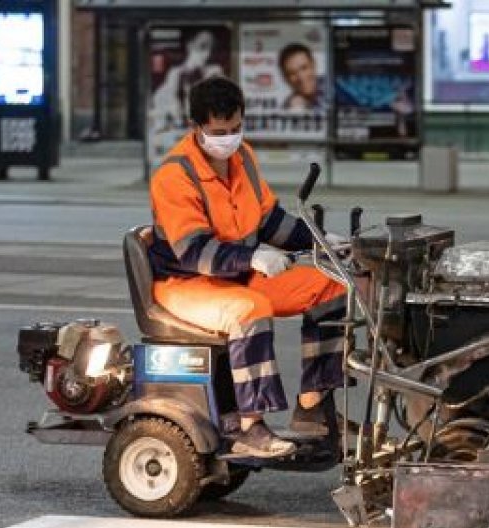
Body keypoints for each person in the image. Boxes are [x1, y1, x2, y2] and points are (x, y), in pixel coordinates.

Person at [148, 76, 347, 459]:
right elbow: (193, 252)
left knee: (333, 286)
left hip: (237, 276)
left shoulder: (244, 159)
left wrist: (321, 239)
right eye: (219, 132)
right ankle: (249, 426)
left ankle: (312, 405)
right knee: (249, 311)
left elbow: (271, 221)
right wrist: (253, 257)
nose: (229, 138)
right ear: (196, 129)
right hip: (186, 282)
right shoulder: (174, 177)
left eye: (236, 128)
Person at [278, 43, 324, 110]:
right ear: (285, 78)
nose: (301, 77)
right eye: (292, 73)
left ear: (314, 65)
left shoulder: (337, 86)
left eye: (304, 68)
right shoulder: (289, 107)